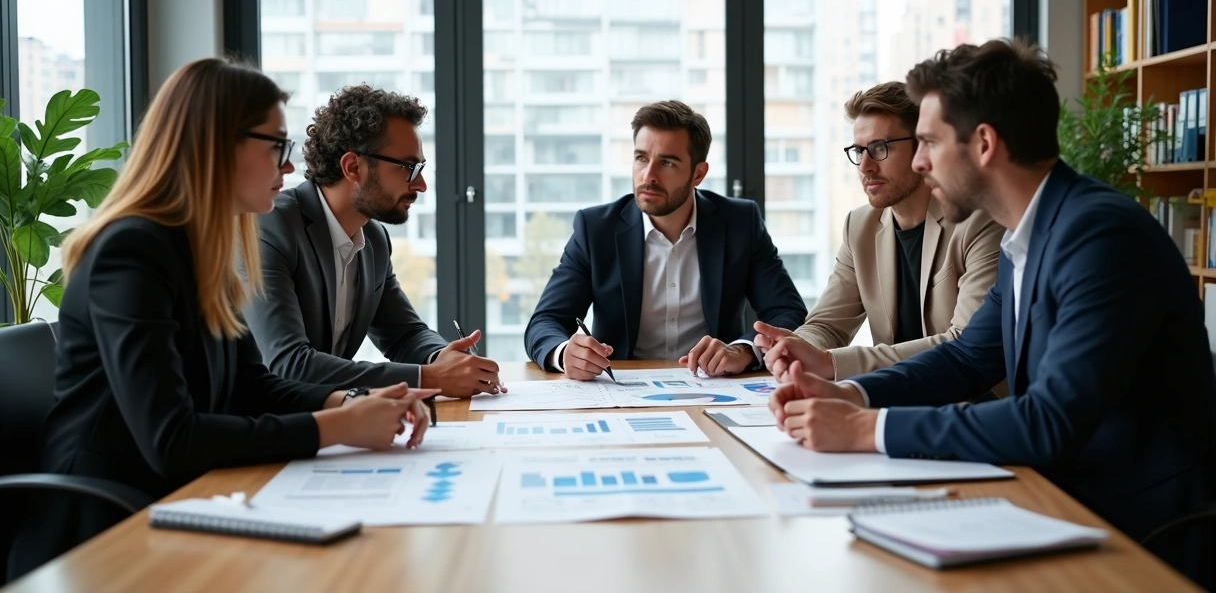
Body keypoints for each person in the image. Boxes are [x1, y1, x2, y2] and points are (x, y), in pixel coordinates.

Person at [767, 39, 1215, 586]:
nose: (921, 161)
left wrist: (865, 429)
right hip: (1062, 498)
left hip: (1139, 528)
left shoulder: (1099, 236)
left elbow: (1048, 421)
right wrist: (851, 394)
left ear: (983, 143)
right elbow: (967, 358)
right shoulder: (1030, 234)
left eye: (928, 141)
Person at [6, 59, 440, 580]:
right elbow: (172, 440)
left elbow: (250, 383)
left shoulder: (201, 247)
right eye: (276, 148)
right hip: (104, 536)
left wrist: (349, 401)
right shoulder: (131, 251)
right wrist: (334, 426)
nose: (288, 168)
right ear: (217, 146)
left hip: (182, 506)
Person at [243, 86, 502, 398]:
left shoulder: (374, 238)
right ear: (353, 167)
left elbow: (403, 334)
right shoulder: (271, 228)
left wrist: (443, 358)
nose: (420, 185)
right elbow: (288, 365)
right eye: (409, 168)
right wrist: (427, 376)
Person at [524, 100, 806, 379]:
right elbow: (545, 322)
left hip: (713, 389)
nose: (649, 176)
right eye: (641, 158)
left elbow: (787, 312)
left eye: (667, 163)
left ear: (698, 174)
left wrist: (743, 350)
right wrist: (564, 353)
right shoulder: (596, 228)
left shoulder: (739, 223)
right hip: (620, 389)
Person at [755, 81, 1002, 384]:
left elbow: (963, 344)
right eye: (859, 150)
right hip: (892, 401)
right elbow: (827, 325)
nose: (865, 166)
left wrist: (830, 363)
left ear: (922, 147)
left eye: (880, 148)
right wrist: (794, 348)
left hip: (974, 407)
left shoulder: (978, 222)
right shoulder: (860, 226)